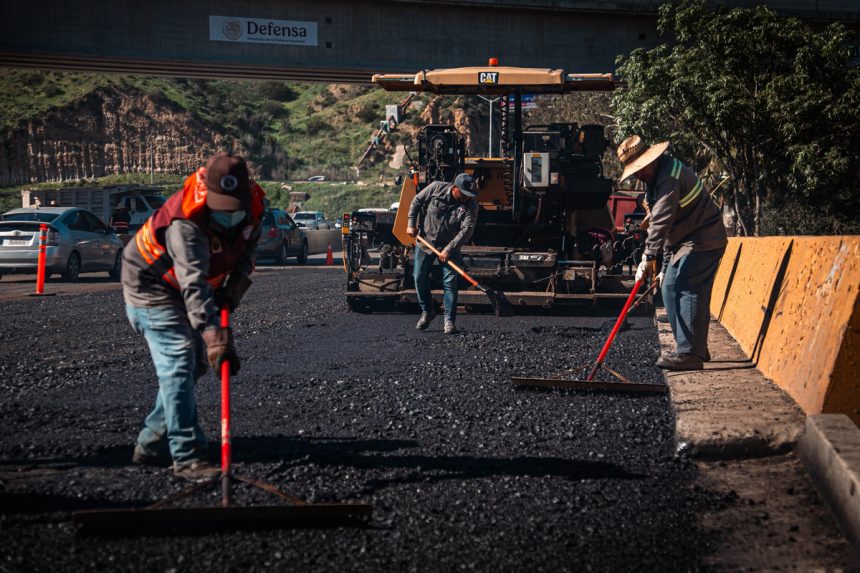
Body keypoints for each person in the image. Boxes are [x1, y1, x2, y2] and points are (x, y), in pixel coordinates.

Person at [121, 152, 265, 482]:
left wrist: (233, 291)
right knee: (179, 360)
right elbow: (194, 287)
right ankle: (186, 456)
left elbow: (247, 253)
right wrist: (215, 339)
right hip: (151, 285)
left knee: (195, 365)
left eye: (234, 207)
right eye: (220, 207)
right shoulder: (186, 223)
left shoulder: (255, 209)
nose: (228, 215)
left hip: (188, 286)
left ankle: (152, 443)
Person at [617, 135, 727, 371]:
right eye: (635, 172)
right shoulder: (653, 182)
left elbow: (662, 220)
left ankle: (690, 354)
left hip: (704, 237)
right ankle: (694, 346)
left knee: (687, 284)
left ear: (652, 159)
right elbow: (668, 231)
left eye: (641, 168)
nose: (639, 174)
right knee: (667, 287)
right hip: (682, 242)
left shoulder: (670, 176)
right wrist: (663, 267)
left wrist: (648, 257)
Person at [406, 173, 479, 334]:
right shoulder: (436, 188)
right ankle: (427, 311)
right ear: (454, 188)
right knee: (419, 277)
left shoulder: (471, 204)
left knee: (450, 283)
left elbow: (467, 230)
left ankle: (449, 321)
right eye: (464, 194)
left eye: (469, 195)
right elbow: (417, 201)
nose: (467, 198)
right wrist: (411, 224)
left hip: (450, 246)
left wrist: (448, 249)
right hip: (426, 242)